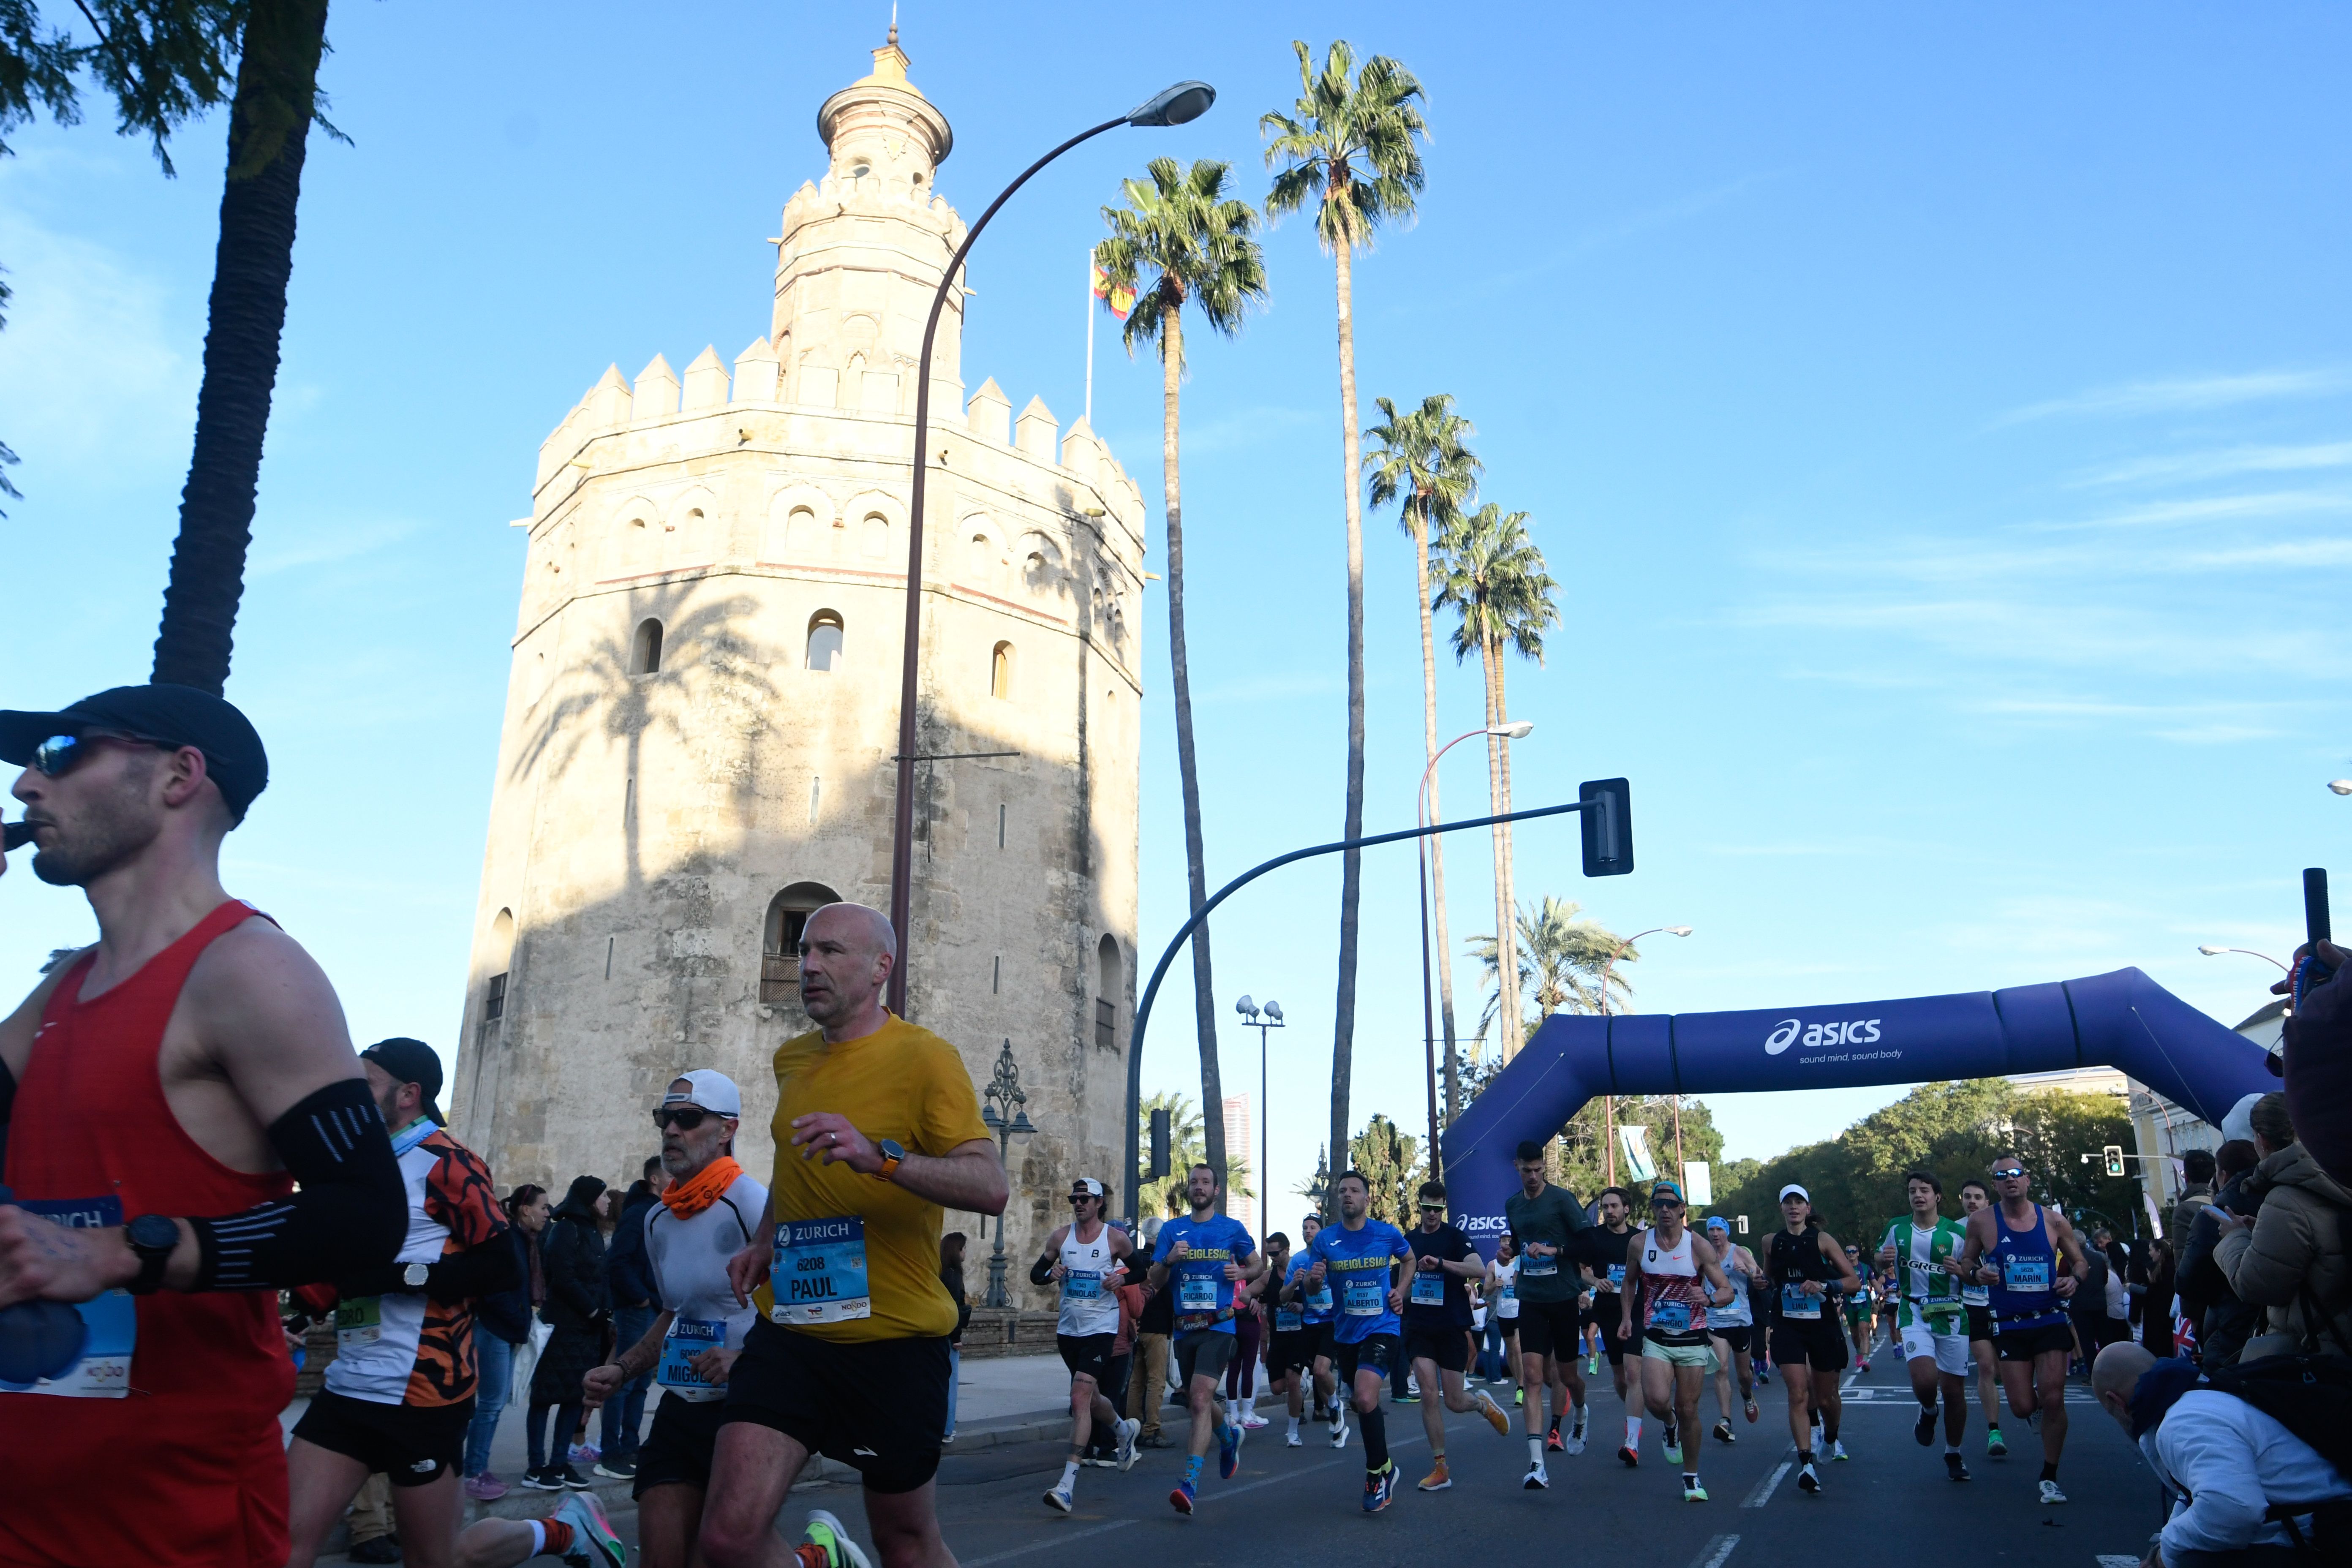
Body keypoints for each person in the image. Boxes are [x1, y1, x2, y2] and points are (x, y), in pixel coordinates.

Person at [0, 684, 407, 1568]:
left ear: (181, 776)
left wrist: (122, 1251)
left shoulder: (249, 968)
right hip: (23, 1495)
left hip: (167, 1516)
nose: (27, 784)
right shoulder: (59, 992)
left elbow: (364, 1212)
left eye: (62, 750)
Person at [700, 902, 1005, 1568]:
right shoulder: (791, 1061)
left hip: (892, 1343)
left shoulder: (926, 1059)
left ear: (880, 969)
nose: (809, 965)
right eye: (806, 950)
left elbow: (990, 1186)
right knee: (726, 1537)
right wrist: (763, 1241)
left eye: (831, 952)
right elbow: (792, 1164)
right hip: (791, 1332)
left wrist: (881, 1157)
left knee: (904, 1541)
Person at [456, 1071, 761, 1568]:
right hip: (685, 1402)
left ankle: (818, 1554)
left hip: (753, 1405)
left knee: (721, 1551)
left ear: (728, 1130)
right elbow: (673, 1315)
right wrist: (622, 1368)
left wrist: (744, 1358)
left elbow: (801, 1314)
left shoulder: (753, 1204)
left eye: (688, 1118)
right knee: (661, 1553)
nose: (671, 1131)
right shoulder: (659, 1220)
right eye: (666, 1118)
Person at [280, 1038, 522, 1568]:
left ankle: (555, 1532)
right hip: (350, 1384)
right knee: (279, 1547)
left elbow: (503, 1266)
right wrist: (296, 1315)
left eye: (366, 1084)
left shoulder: (447, 1160)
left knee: (434, 1559)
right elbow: (344, 1273)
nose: (354, 1095)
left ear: (408, 1094)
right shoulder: (360, 1167)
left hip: (424, 1396)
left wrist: (403, 1276)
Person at [2093, 1340, 2352, 1566]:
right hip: (2318, 1519)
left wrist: (2167, 1555)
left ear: (2116, 1401)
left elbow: (2234, 1511)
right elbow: (2194, 1496)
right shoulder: (2201, 1396)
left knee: (2195, 1559)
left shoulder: (2184, 1422)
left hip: (2329, 1532)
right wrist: (2166, 1543)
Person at [1954, 1151, 2089, 1505]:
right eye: (2002, 1175)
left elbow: (2081, 1263)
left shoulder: (2054, 1222)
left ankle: (2049, 1475)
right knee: (2021, 1406)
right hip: (2010, 1325)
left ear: (2027, 1180)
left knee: (2054, 1395)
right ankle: (2038, 1415)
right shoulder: (1982, 1222)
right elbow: (1967, 1262)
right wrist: (1977, 1273)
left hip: (2049, 1319)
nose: (2011, 1179)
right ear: (1996, 1185)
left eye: (2017, 1173)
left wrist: (2074, 1280)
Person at [1148, 1162, 1263, 1514]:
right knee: (1200, 1401)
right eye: (1194, 1182)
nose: (1199, 1187)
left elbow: (1259, 1267)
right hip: (1185, 1329)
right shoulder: (1172, 1230)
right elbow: (1154, 1279)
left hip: (1220, 1325)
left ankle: (1190, 1484)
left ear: (1216, 1191)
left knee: (1199, 1397)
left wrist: (1242, 1271)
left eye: (1206, 1182)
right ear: (1189, 1190)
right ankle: (1228, 1437)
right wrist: (1169, 1260)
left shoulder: (1231, 1229)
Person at [1297, 1170, 1412, 1512]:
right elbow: (1312, 1289)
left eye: (1354, 1190)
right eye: (1342, 1191)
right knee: (1363, 1403)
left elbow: (1409, 1260)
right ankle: (1387, 1467)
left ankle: (1376, 1476)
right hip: (1345, 1332)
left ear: (1367, 1198)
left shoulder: (1386, 1234)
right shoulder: (1325, 1240)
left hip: (1382, 1327)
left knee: (1363, 1395)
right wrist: (1315, 1281)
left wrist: (1400, 1291)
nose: (1348, 1195)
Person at [1618, 1180, 1734, 1503]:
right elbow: (1628, 1282)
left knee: (1688, 1408)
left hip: (1693, 1339)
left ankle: (1691, 1477)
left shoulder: (1698, 1246)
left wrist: (1709, 1299)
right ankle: (1668, 1425)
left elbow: (1727, 1290)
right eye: (1659, 1205)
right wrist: (1627, 1318)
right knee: (1656, 1400)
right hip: (1656, 1337)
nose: (1665, 1210)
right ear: (1653, 1209)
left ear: (1683, 1209)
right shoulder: (1640, 1244)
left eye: (1672, 1205)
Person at [1031, 1175, 1141, 1511]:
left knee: (1079, 1396)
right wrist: (1051, 1275)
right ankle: (1124, 1431)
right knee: (1092, 1399)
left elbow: (1141, 1271)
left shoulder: (1116, 1239)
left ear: (1099, 1204)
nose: (1078, 1204)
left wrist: (1118, 1278)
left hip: (1101, 1329)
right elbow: (1037, 1274)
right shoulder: (1061, 1238)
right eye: (1074, 1199)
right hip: (1069, 1331)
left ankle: (1067, 1485)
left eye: (1085, 1199)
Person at [2216, 1092, 2352, 1361]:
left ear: (2262, 1140)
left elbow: (2257, 1285)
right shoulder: (2337, 1175)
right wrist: (2262, 1232)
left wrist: (2235, 1238)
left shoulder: (2286, 1199)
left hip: (2314, 1357)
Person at [1400, 1179, 1511, 1491]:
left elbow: (1477, 1269)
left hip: (1450, 1326)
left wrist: (1441, 1264)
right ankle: (1441, 1468)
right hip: (1419, 1326)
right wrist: (1397, 1296)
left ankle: (1482, 1405)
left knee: (1454, 1401)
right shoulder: (1408, 1241)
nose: (1432, 1214)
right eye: (1427, 1207)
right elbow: (1404, 1282)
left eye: (1438, 1209)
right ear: (1419, 1205)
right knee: (1426, 1392)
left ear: (1443, 1208)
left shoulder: (1455, 1237)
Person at [1875, 1170, 1973, 1482]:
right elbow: (1879, 1255)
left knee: (1955, 1392)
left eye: (1925, 1190)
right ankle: (1929, 1411)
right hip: (1914, 1310)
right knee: (1925, 1380)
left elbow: (1975, 1272)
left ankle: (1954, 1453)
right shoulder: (1897, 1227)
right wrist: (1881, 1259)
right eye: (1913, 1191)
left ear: (1937, 1197)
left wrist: (1962, 1270)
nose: (1918, 1195)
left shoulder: (1956, 1233)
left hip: (1952, 1313)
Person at [1761, 1184, 1859, 1494]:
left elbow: (1853, 1282)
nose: (1793, 1207)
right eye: (1787, 1202)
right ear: (1781, 1208)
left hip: (1822, 1325)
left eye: (1798, 1202)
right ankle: (1806, 1464)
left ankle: (1830, 1436)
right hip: (1787, 1324)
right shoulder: (1770, 1242)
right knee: (1798, 1393)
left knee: (1826, 1397)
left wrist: (1824, 1286)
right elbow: (1769, 1280)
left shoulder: (1822, 1240)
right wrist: (1759, 1282)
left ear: (1808, 1208)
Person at [1504, 1139, 1591, 1486]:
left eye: (1540, 1170)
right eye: (1527, 1171)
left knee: (1567, 1377)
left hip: (1564, 1297)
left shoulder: (1562, 1199)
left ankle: (1582, 1412)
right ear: (1517, 1168)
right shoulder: (1512, 1204)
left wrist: (1554, 1250)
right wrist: (1507, 1255)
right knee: (1533, 1377)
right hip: (1532, 1298)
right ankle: (1537, 1464)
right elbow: (1516, 1242)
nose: (1534, 1177)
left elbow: (1588, 1243)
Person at [524, 1176, 611, 1491]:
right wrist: (592, 1310)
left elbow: (598, 1278)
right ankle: (537, 1467)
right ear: (589, 1199)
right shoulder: (567, 1229)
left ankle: (560, 1463)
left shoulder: (590, 1230)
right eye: (603, 1197)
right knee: (545, 1397)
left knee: (576, 1395)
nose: (608, 1202)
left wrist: (603, 1313)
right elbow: (564, 1276)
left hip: (587, 1330)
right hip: (562, 1325)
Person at [467, 1184, 550, 1499]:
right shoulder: (509, 1241)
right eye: (542, 1207)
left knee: (494, 1403)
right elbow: (496, 1288)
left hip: (508, 1328)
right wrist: (518, 1318)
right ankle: (474, 1471)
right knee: (490, 1404)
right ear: (525, 1210)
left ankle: (476, 1468)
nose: (547, 1213)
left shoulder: (527, 1242)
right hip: (496, 1329)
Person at [596, 1155, 669, 1480]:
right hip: (639, 1309)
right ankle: (611, 1452)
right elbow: (619, 1261)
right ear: (655, 1179)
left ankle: (630, 1446)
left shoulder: (657, 1212)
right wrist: (640, 1298)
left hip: (654, 1307)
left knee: (640, 1383)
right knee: (624, 1380)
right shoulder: (639, 1213)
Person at [2179, 1139, 2264, 1370]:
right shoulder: (2278, 1200)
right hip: (2275, 1325)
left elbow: (2188, 1280)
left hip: (2229, 1322)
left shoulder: (2214, 1215)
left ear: (2223, 1176)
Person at [1577, 1185, 1640, 1462]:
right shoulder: (1595, 1238)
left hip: (1638, 1311)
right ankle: (1634, 1414)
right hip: (1608, 1310)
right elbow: (1577, 1268)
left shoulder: (1640, 1239)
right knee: (1620, 1377)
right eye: (1605, 1207)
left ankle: (1632, 1438)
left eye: (1614, 1206)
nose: (1609, 1211)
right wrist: (1594, 1281)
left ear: (1626, 1209)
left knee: (1633, 1372)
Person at [1955, 1178, 2007, 1458]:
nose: (1972, 1201)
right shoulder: (1954, 1230)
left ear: (1988, 1202)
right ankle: (1994, 1431)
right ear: (1961, 1200)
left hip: (2006, 1305)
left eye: (1977, 1197)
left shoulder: (2002, 1224)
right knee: (1986, 1367)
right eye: (1967, 1197)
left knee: (2005, 1370)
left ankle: (2030, 1405)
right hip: (1973, 1306)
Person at [1699, 1215, 1760, 1445]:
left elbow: (1761, 1277)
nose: (1715, 1234)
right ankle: (1726, 1420)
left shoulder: (1740, 1252)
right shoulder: (1703, 1254)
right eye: (1711, 1230)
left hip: (1741, 1320)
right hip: (1716, 1321)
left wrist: (1748, 1271)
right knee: (1721, 1369)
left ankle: (1747, 1395)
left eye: (1719, 1230)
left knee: (1744, 1375)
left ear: (1727, 1232)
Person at [1127, 1223, 1175, 1448]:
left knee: (1136, 1381)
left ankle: (1132, 1426)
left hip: (1137, 1326)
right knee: (1156, 1380)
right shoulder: (1164, 1261)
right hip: (1158, 1328)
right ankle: (1151, 1429)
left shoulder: (1135, 1259)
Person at [939, 1232, 968, 1443]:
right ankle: (947, 1428)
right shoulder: (953, 1275)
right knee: (950, 1383)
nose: (965, 1252)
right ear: (957, 1252)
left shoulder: (940, 1273)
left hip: (939, 1333)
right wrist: (957, 1336)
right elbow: (954, 1307)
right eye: (963, 1248)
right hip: (949, 1335)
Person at [1484, 1236, 1521, 1399]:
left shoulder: (1519, 1262)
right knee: (1511, 1351)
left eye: (1509, 1240)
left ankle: (1522, 1386)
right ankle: (1518, 1382)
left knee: (1519, 1347)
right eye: (1504, 1240)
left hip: (1520, 1311)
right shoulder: (1493, 1265)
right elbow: (1486, 1290)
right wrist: (1494, 1285)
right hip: (1503, 1312)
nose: (1507, 1243)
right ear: (1499, 1243)